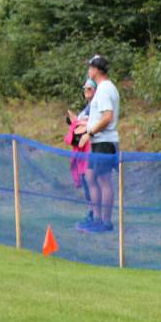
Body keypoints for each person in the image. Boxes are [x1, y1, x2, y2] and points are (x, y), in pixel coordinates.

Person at [77, 55, 120, 233]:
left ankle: (105, 222)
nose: (88, 70)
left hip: (104, 142)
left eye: (90, 67)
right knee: (91, 177)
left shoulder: (103, 90)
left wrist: (90, 133)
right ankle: (96, 218)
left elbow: (107, 116)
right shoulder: (104, 88)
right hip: (99, 141)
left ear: (97, 70)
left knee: (104, 181)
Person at [65, 79, 96, 227]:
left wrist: (78, 123)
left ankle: (97, 216)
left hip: (92, 150)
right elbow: (78, 126)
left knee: (92, 183)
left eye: (89, 89)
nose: (86, 92)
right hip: (82, 152)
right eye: (85, 89)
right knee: (86, 183)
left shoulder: (96, 107)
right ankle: (92, 213)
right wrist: (74, 122)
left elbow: (90, 125)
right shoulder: (87, 108)